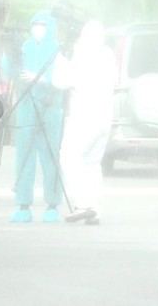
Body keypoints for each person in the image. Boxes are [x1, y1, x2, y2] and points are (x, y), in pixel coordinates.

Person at [53, 20, 116, 225]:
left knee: (69, 156)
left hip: (84, 117)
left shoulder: (83, 56)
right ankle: (94, 209)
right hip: (104, 119)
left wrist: (61, 58)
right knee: (91, 163)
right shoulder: (108, 55)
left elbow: (60, 81)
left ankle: (84, 204)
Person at [10, 10, 65, 223]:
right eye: (35, 24)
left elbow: (62, 78)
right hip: (26, 108)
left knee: (50, 156)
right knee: (24, 157)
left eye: (42, 24)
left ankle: (53, 204)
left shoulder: (57, 49)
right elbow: (12, 72)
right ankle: (23, 205)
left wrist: (42, 79)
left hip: (51, 108)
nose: (38, 28)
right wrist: (9, 54)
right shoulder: (25, 48)